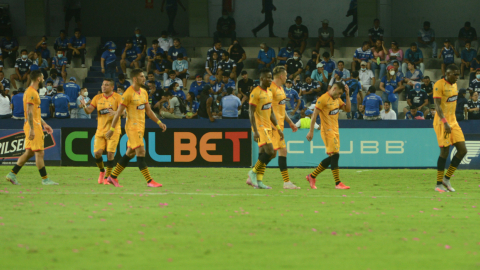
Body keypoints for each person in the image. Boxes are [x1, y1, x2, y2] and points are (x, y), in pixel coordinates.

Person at [105, 68, 167, 187]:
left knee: (131, 153)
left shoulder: (143, 92)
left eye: (144, 76)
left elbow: (148, 111)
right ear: (135, 79)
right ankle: (150, 181)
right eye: (142, 76)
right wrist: (112, 129)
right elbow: (118, 113)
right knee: (141, 151)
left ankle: (112, 177)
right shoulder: (128, 93)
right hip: (132, 128)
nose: (144, 78)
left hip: (141, 126)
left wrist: (159, 122)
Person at [5, 70, 57, 185]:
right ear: (38, 78)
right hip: (33, 125)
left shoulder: (32, 91)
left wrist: (45, 124)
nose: (44, 80)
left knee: (29, 153)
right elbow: (29, 112)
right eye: (43, 77)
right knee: (39, 153)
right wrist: (33, 129)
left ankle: (12, 174)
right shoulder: (31, 92)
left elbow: (35, 112)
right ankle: (45, 179)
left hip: (34, 124)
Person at [306, 82, 351, 190]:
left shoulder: (337, 99)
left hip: (335, 130)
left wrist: (347, 95)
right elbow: (314, 116)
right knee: (335, 155)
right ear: (334, 88)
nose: (339, 96)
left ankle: (312, 176)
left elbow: (348, 110)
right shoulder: (323, 99)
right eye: (339, 93)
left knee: (333, 157)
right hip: (327, 131)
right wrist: (311, 131)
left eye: (341, 94)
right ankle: (338, 183)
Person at [246, 68, 283, 189]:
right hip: (260, 127)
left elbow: (271, 111)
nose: (270, 79)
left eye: (271, 77)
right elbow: (251, 113)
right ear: (261, 79)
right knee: (270, 152)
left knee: (265, 154)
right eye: (268, 77)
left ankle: (259, 181)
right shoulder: (255, 92)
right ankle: (252, 172)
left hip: (268, 127)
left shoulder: (269, 92)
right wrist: (255, 130)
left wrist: (277, 127)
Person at [79, 79, 122, 184]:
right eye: (103, 84)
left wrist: (116, 112)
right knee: (97, 153)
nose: (104, 86)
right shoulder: (97, 98)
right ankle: (102, 171)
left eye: (106, 85)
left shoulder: (118, 97)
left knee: (110, 154)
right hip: (100, 130)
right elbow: (89, 110)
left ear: (112, 87)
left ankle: (108, 178)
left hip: (113, 129)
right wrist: (84, 106)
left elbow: (123, 111)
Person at [432, 64, 467, 193]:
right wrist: (445, 122)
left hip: (453, 122)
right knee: (445, 152)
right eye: (455, 74)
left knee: (463, 150)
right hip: (442, 122)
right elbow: (437, 105)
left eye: (458, 74)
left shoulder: (454, 85)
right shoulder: (439, 84)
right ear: (447, 74)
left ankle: (446, 179)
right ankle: (438, 184)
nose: (457, 77)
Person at [268, 66, 300, 189]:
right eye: (286, 75)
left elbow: (282, 110)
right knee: (274, 153)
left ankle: (255, 174)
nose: (287, 77)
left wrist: (290, 122)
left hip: (280, 126)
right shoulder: (271, 88)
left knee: (274, 153)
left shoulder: (281, 89)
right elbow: (266, 108)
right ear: (281, 76)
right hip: (273, 126)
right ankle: (254, 174)